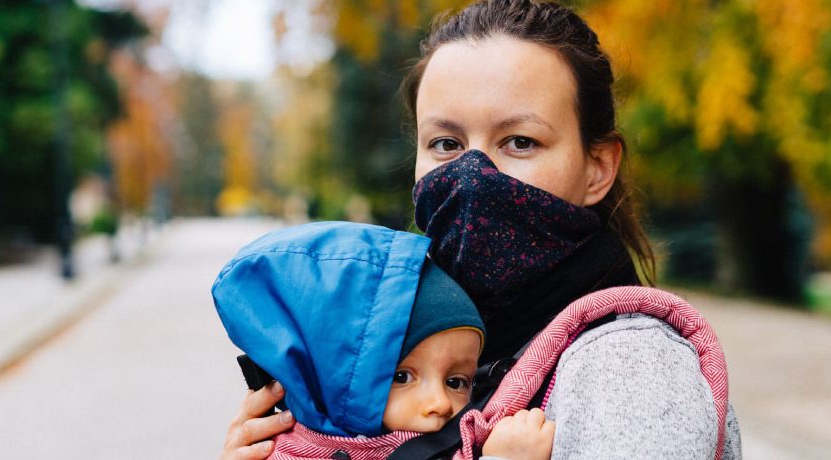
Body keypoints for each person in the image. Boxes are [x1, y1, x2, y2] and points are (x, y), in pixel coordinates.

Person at [221, 1, 742, 459]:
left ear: (598, 168)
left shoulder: (630, 371)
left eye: (519, 142)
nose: (473, 176)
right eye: (446, 144)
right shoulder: (411, 343)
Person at [212, 221, 555, 459]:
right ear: (331, 379)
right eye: (401, 376)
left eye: (456, 381)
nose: (439, 402)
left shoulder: (463, 436)